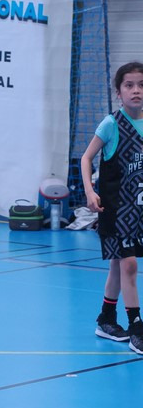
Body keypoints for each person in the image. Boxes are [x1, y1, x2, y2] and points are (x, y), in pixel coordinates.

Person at [81, 61, 143, 355]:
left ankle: (106, 319)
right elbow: (86, 158)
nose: (136, 90)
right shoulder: (111, 124)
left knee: (118, 266)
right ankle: (136, 328)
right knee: (129, 264)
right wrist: (89, 191)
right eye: (129, 85)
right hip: (116, 211)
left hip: (138, 209)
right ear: (119, 92)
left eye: (141, 85)